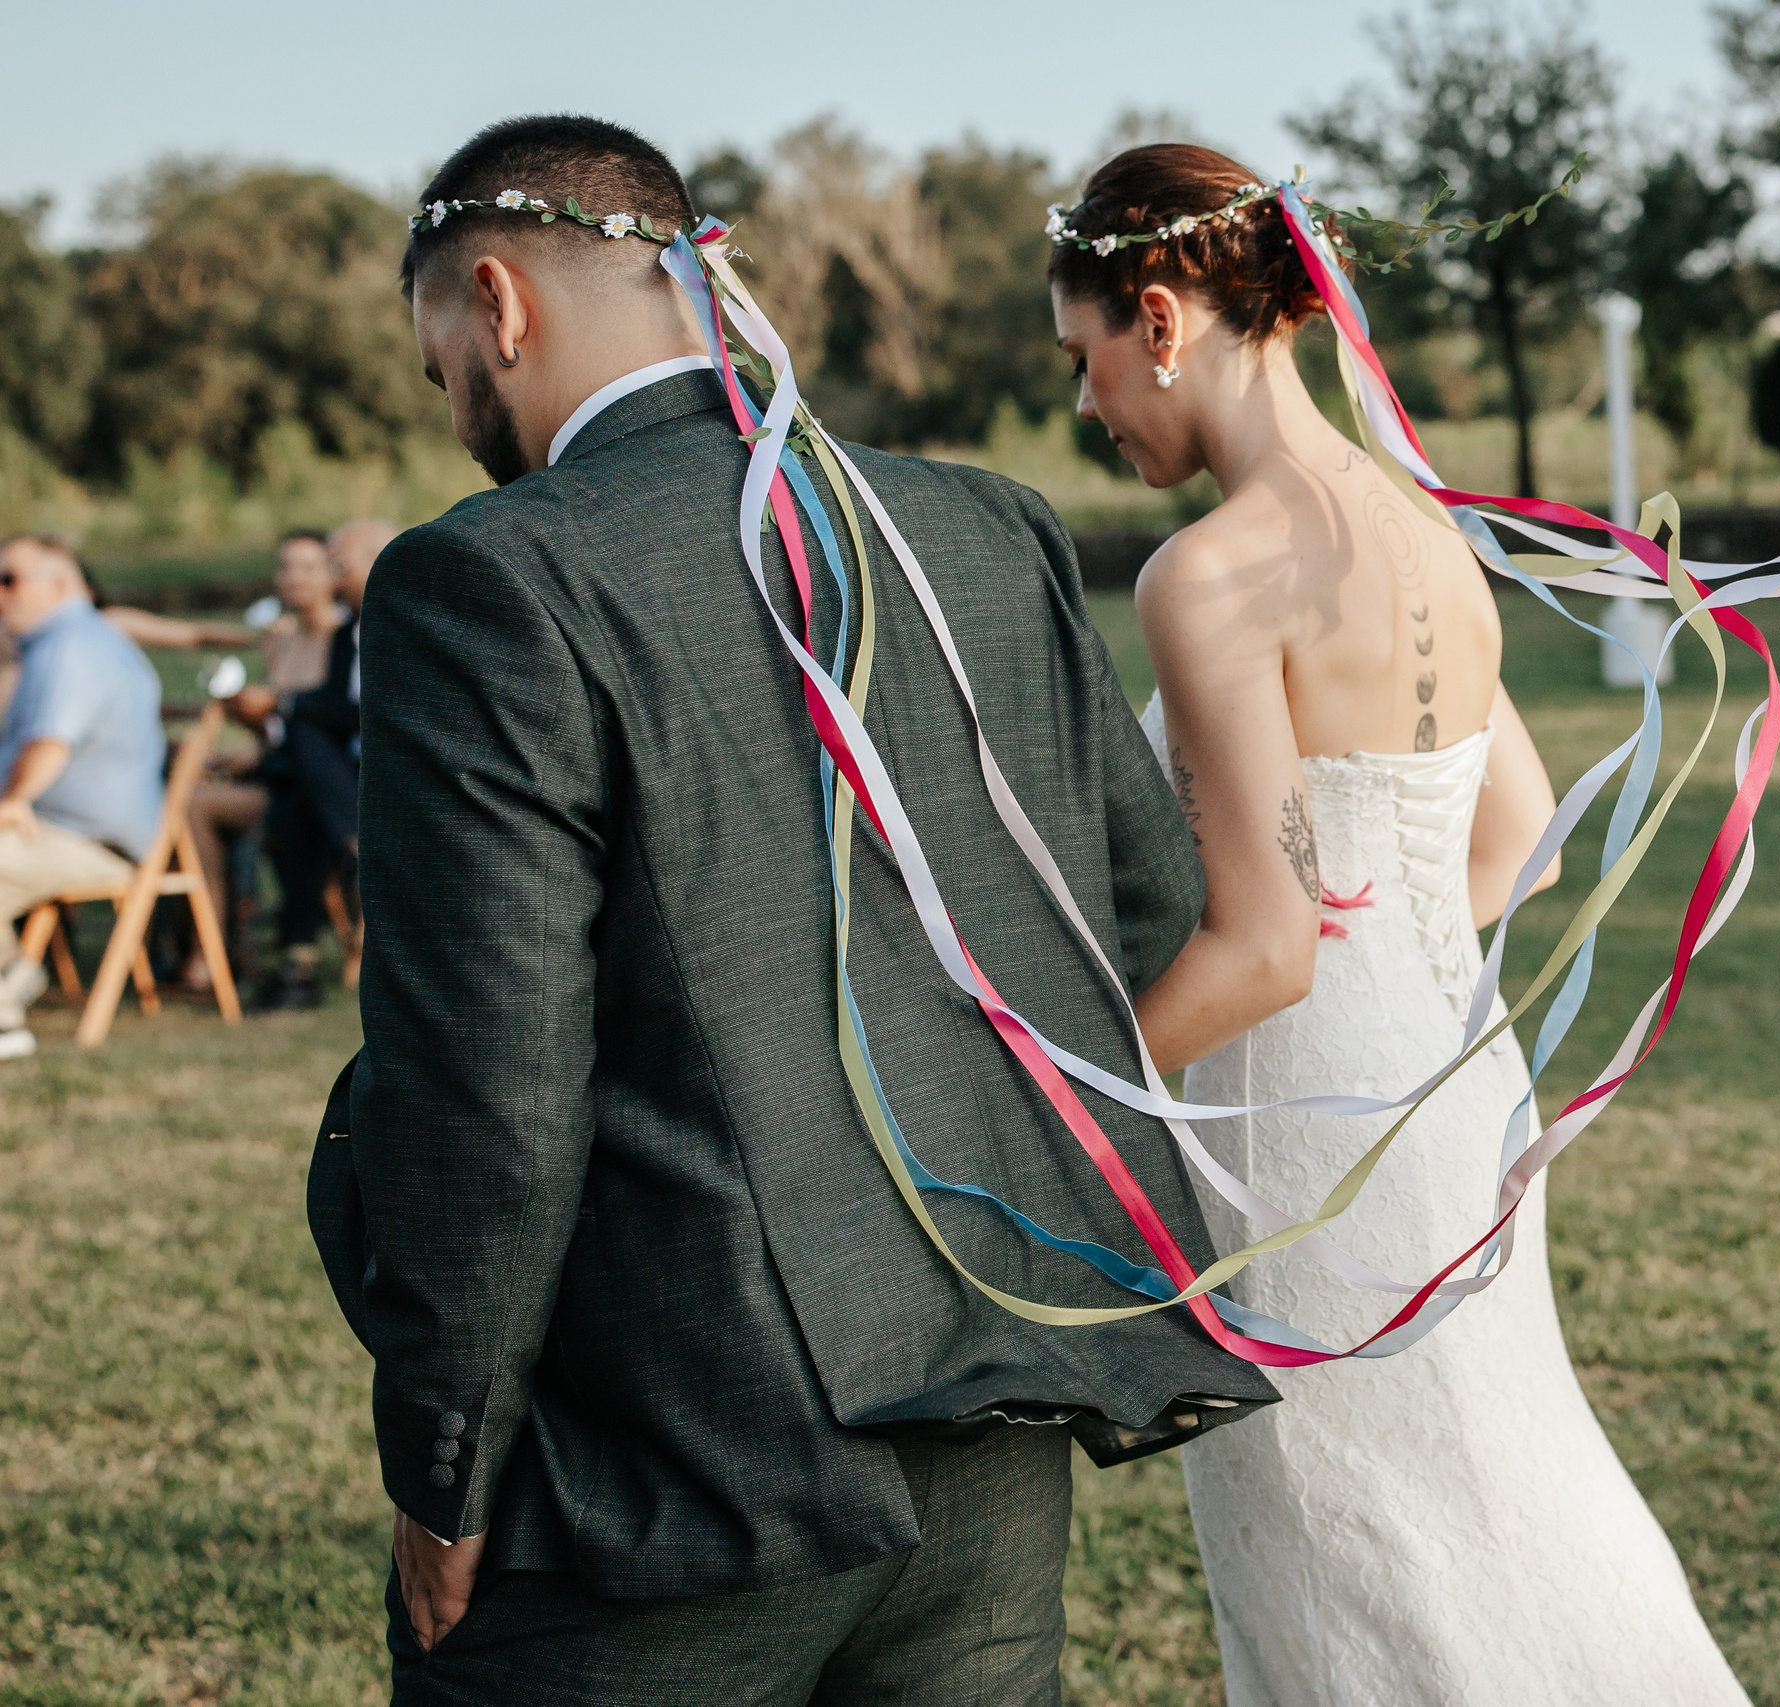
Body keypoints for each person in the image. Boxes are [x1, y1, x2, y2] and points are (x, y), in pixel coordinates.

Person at [303, 115, 1276, 1704]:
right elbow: (1145, 927)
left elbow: (488, 1084)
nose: (459, 411)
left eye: (440, 365)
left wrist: (445, 1458)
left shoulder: (482, 580)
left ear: (498, 299)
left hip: (661, 1466)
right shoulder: (983, 523)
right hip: (985, 1432)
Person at [1050, 144, 1755, 1705]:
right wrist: (1383, 957)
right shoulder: (1426, 528)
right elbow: (1521, 841)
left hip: (1304, 1130)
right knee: (1506, 1498)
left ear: (1159, 318)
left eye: (1085, 356)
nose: (1088, 404)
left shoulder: (1211, 571)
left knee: (1356, 1560)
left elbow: (1264, 948)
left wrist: (1044, 1095)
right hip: (1453, 1083)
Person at [0, 533, 168, 1063]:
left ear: (61, 582)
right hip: (58, 827)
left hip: (91, 839)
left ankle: (7, 1009)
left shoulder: (72, 644)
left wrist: (11, 800)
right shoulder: (63, 642)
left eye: (10, 579)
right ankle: (14, 976)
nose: (1, 593)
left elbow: (49, 746)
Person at [179, 529, 348, 993]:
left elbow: (329, 722)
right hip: (281, 773)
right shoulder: (281, 642)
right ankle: (214, 944)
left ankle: (216, 950)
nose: (293, 577)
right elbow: (279, 733)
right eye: (285, 566)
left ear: (333, 574)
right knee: (192, 795)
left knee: (205, 807)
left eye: (307, 567)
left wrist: (273, 706)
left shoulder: (345, 640)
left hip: (329, 784)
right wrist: (247, 746)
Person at [253, 519, 387, 1009]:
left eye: (338, 567)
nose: (331, 578)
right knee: (297, 804)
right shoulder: (345, 631)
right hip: (344, 776)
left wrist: (285, 706)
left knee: (301, 757)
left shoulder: (402, 619)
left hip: (389, 768)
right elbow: (335, 703)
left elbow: (383, 709)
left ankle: (297, 961)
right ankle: (299, 960)